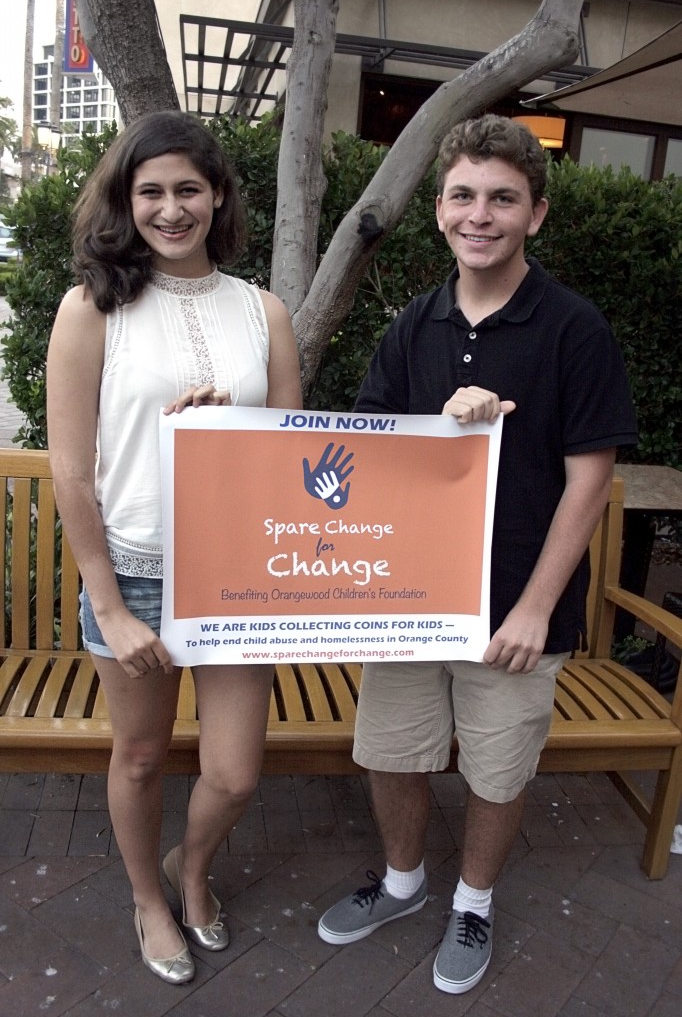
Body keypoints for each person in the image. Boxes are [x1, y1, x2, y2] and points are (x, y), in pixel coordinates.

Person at [317, 114, 638, 994]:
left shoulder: (575, 329)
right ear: (440, 211)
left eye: (503, 198)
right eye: (463, 195)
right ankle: (404, 881)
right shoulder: (413, 327)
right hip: (413, 599)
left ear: (536, 213)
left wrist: (535, 607)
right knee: (394, 750)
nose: (480, 214)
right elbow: (372, 458)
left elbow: (589, 481)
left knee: (497, 768)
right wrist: (434, 426)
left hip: (515, 610)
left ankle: (475, 902)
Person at [46, 111, 302, 985]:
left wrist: (226, 432)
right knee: (144, 755)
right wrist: (108, 604)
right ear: (126, 200)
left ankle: (188, 872)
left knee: (233, 773)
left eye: (187, 189)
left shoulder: (263, 311)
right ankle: (147, 901)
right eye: (149, 191)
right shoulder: (91, 309)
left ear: (218, 194)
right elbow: (72, 471)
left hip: (239, 580)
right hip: (138, 578)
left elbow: (291, 453)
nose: (169, 208)